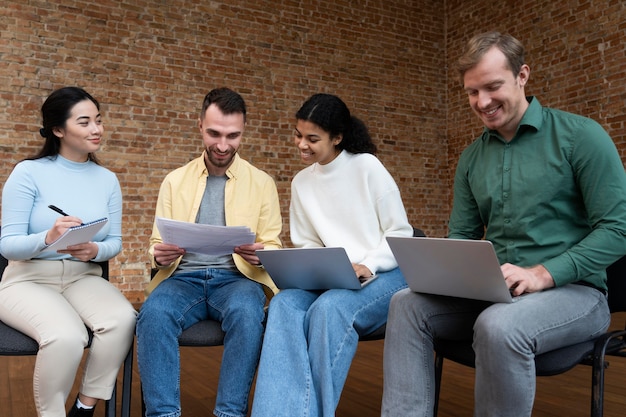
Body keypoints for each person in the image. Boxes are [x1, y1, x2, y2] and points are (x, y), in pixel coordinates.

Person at [381, 31, 626, 417]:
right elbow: (461, 238)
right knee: (405, 304)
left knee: (498, 325)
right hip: (497, 292)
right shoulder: (471, 159)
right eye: (471, 92)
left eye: (493, 87)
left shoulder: (582, 137)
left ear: (522, 75)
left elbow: (618, 230)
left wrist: (543, 274)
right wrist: (441, 274)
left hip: (577, 295)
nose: (482, 102)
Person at [251, 93, 413, 417]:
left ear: (337, 137)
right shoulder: (301, 183)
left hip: (385, 273)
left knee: (330, 309)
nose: (301, 145)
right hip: (335, 277)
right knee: (282, 304)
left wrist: (367, 264)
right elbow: (308, 242)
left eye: (313, 139)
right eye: (298, 135)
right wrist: (318, 266)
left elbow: (400, 233)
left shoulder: (367, 167)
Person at [136, 87, 282, 417]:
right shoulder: (174, 181)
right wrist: (158, 255)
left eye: (233, 136)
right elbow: (155, 244)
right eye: (214, 133)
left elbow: (273, 243)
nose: (222, 145)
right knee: (153, 315)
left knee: (248, 314)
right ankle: (163, 414)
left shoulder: (262, 184)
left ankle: (229, 413)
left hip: (237, 280)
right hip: (182, 279)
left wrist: (263, 254)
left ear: (243, 131)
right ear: (199, 125)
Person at [0, 86, 137, 417]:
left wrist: (94, 249)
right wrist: (48, 237)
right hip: (28, 279)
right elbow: (7, 245)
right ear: (58, 129)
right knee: (65, 335)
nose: (97, 129)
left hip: (82, 276)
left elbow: (115, 242)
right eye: (85, 122)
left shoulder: (107, 180)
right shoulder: (28, 173)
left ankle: (84, 407)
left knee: (123, 319)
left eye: (99, 120)